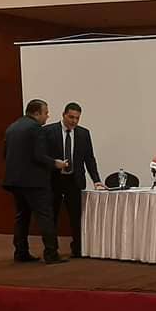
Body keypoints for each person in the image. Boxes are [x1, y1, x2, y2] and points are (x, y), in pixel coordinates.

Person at [2, 99, 68, 264]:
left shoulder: (12, 127)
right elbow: (39, 155)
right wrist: (56, 163)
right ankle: (51, 253)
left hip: (15, 181)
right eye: (46, 113)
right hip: (34, 182)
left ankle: (21, 252)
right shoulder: (36, 129)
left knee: (22, 216)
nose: (47, 116)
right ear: (37, 113)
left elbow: (5, 154)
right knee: (46, 216)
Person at [43, 102, 104, 258]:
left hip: (74, 181)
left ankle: (77, 248)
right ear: (63, 115)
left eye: (77, 118)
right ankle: (51, 250)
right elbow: (43, 157)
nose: (74, 121)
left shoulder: (84, 133)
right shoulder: (48, 131)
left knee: (76, 217)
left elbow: (89, 159)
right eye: (71, 117)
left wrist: (96, 180)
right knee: (52, 216)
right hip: (54, 180)